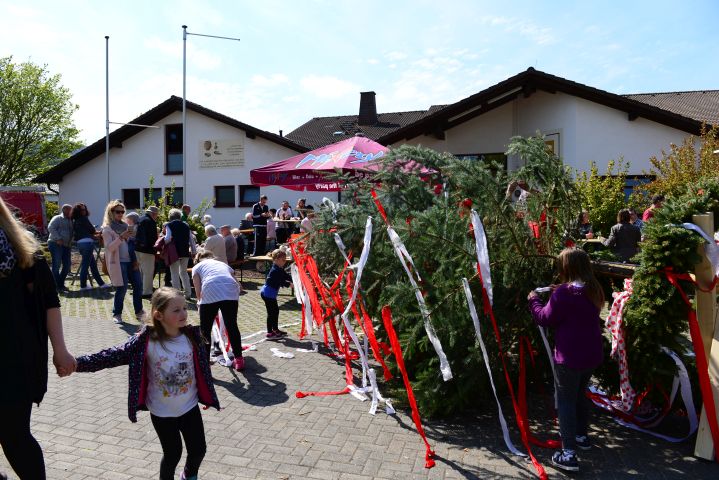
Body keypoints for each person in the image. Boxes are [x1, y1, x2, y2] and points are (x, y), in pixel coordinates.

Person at [75, 287, 219, 480]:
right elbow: (112, 355)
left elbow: (201, 370)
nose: (184, 313)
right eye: (176, 310)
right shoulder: (145, 341)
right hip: (162, 412)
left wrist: (206, 394)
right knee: (172, 454)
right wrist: (77, 363)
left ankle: (189, 475)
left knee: (199, 450)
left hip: (189, 407)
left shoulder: (192, 336)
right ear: (159, 315)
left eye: (184, 308)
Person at [0, 196, 76, 480]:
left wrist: (61, 350)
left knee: (14, 435)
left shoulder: (25, 250)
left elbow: (49, 302)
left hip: (15, 359)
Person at [527, 248, 604, 473]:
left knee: (566, 402)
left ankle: (568, 453)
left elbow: (544, 318)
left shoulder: (563, 294)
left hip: (569, 357)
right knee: (580, 395)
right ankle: (581, 436)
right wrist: (558, 293)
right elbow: (576, 303)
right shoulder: (594, 289)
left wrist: (533, 301)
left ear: (566, 269)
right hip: (591, 355)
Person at [192, 251, 245, 370]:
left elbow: (197, 289)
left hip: (210, 289)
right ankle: (239, 359)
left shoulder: (197, 267)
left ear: (198, 259)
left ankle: (205, 362)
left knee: (205, 329)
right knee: (232, 325)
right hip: (230, 289)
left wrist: (200, 302)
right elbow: (240, 286)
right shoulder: (222, 264)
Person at [101, 200, 145, 324]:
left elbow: (131, 245)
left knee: (138, 285)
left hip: (131, 261)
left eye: (122, 211)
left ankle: (139, 312)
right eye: (117, 212)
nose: (120, 214)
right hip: (119, 263)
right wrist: (121, 237)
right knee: (122, 288)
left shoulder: (126, 226)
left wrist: (135, 259)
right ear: (111, 212)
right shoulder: (107, 229)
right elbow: (109, 248)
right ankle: (117, 313)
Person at [71, 203, 110, 290]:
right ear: (78, 211)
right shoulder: (84, 219)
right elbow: (92, 230)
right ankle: (83, 285)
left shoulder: (75, 220)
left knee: (93, 265)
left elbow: (87, 232)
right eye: (82, 210)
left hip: (80, 244)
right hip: (87, 244)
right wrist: (101, 232)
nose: (84, 211)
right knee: (85, 265)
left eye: (84, 209)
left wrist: (95, 233)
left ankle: (101, 283)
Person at [260, 249, 292, 339]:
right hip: (267, 294)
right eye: (283, 260)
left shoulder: (278, 268)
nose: (285, 262)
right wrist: (289, 284)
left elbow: (285, 275)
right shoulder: (275, 270)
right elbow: (281, 281)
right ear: (277, 259)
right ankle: (270, 333)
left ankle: (275, 329)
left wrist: (293, 279)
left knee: (275, 312)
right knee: (271, 313)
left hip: (270, 294)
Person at [165, 209, 193, 300]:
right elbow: (191, 239)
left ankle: (176, 294)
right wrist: (194, 250)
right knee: (184, 273)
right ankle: (188, 293)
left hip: (174, 252)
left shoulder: (169, 225)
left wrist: (163, 241)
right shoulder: (186, 225)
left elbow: (167, 238)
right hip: (185, 252)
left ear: (170, 217)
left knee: (174, 273)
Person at [47, 203, 73, 292]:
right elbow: (50, 227)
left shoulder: (71, 220)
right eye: (70, 210)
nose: (72, 212)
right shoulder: (57, 218)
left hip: (66, 245)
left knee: (67, 265)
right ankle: (58, 286)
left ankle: (59, 284)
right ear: (65, 210)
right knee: (56, 265)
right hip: (55, 244)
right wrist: (58, 238)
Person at [135, 206, 160, 298]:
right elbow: (152, 238)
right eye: (157, 215)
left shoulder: (140, 219)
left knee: (141, 271)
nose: (157, 217)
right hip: (147, 249)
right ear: (153, 214)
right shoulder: (150, 222)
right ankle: (147, 292)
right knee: (148, 272)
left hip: (137, 248)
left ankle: (141, 289)